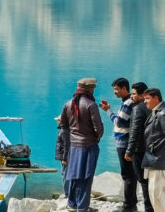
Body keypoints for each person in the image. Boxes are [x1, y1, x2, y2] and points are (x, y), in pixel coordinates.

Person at [60, 77, 103, 212]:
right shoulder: (91, 105)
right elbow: (99, 128)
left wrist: (70, 142)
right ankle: (82, 207)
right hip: (88, 146)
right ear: (90, 90)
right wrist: (96, 139)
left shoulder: (68, 104)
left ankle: (72, 203)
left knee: (73, 175)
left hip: (73, 146)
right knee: (86, 176)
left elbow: (64, 126)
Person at [100, 77, 136, 212]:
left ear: (124, 88)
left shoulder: (127, 103)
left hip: (124, 142)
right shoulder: (127, 102)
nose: (114, 92)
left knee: (127, 175)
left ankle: (128, 206)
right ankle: (132, 203)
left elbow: (119, 122)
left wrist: (108, 111)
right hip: (125, 141)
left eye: (116, 89)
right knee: (130, 174)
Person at [124, 82, 153, 212]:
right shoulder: (152, 107)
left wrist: (129, 151)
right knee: (150, 180)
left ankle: (148, 208)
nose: (131, 96)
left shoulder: (137, 109)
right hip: (151, 149)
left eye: (134, 94)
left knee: (143, 181)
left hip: (139, 150)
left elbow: (135, 132)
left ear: (142, 95)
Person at [55, 115, 71, 198]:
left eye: (58, 120)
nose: (57, 121)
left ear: (61, 121)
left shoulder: (64, 131)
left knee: (65, 174)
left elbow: (66, 146)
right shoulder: (63, 130)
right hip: (64, 157)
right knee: (64, 173)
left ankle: (67, 194)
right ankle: (68, 192)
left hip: (65, 158)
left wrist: (64, 158)